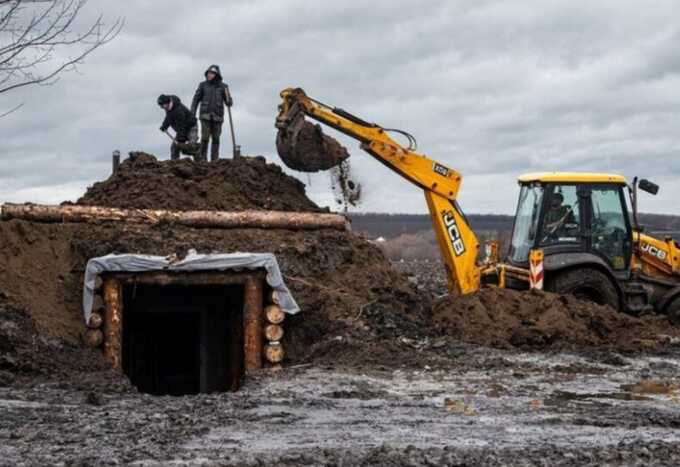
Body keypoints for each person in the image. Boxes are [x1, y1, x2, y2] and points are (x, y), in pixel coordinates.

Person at [191, 64, 233, 162]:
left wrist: (229, 101)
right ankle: (203, 158)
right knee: (205, 137)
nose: (209, 75)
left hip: (218, 117)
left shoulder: (223, 87)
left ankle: (214, 159)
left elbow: (229, 102)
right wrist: (192, 112)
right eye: (208, 73)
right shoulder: (202, 85)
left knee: (216, 138)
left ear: (216, 75)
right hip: (205, 115)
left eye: (211, 73)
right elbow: (195, 99)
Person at [158, 94, 198, 161]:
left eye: (162, 105)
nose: (161, 107)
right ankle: (175, 163)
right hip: (181, 129)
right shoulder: (168, 108)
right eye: (160, 106)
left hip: (191, 128)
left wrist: (180, 140)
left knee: (191, 147)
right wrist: (164, 126)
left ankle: (200, 163)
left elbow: (182, 126)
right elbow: (168, 118)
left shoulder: (178, 111)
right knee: (174, 147)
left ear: (167, 103)